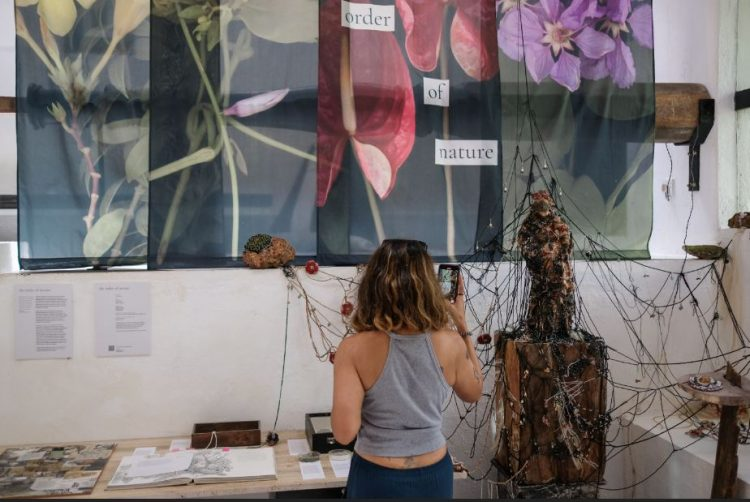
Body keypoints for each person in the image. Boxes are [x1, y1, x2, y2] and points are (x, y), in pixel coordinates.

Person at [331, 239, 484, 499]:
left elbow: (344, 433)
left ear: (373, 286)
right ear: (428, 286)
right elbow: (474, 392)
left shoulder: (353, 349)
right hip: (433, 476)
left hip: (376, 477)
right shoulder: (450, 342)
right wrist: (462, 326)